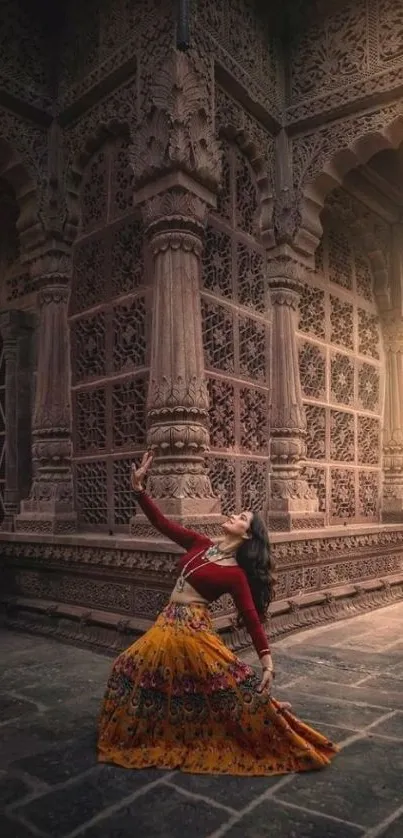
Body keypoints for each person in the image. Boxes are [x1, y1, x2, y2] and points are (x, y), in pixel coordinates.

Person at [97, 452, 338, 775]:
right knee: (131, 672)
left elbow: (251, 617)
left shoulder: (235, 574)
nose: (233, 515)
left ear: (247, 535)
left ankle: (266, 713)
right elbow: (162, 524)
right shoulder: (200, 543)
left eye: (241, 517)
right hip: (167, 623)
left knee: (221, 688)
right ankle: (157, 734)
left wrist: (267, 662)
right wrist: (139, 489)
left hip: (192, 630)